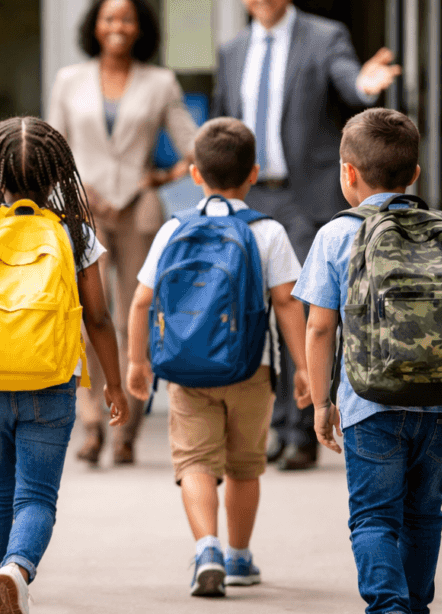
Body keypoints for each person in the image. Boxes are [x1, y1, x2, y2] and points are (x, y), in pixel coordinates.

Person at [294, 108, 442, 614]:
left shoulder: (337, 235)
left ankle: (389, 607)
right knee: (425, 516)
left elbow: (319, 328)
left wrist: (321, 404)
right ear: (416, 175)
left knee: (374, 519)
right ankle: (415, 606)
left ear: (348, 172)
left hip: (370, 405)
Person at [212, 0, 402, 471]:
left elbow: (347, 77)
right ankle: (274, 424)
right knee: (260, 310)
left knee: (306, 308)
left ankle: (304, 429)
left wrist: (364, 86)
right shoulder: (231, 51)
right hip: (251, 196)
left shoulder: (324, 37)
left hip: (303, 196)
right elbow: (227, 123)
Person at [0, 116, 130, 614]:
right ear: (60, 176)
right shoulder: (76, 235)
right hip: (52, 381)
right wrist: (112, 384)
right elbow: (100, 318)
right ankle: (17, 568)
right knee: (36, 496)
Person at [125, 117, 307, 598]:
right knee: (245, 467)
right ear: (254, 173)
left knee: (195, 464)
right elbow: (288, 303)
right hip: (253, 367)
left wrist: (136, 363)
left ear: (194, 174)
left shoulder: (172, 231)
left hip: (186, 369)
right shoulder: (267, 231)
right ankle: (240, 556)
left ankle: (206, 548)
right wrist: (305, 369)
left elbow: (141, 301)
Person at [47, 0, 197, 466]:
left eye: (128, 19)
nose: (118, 26)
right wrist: (75, 187)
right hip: (84, 207)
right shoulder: (69, 80)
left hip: (139, 210)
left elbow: (191, 147)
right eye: (109, 17)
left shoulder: (160, 82)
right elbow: (53, 145)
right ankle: (92, 424)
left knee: (137, 316)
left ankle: (128, 429)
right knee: (90, 315)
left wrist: (158, 176)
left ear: (140, 28)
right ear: (96, 25)